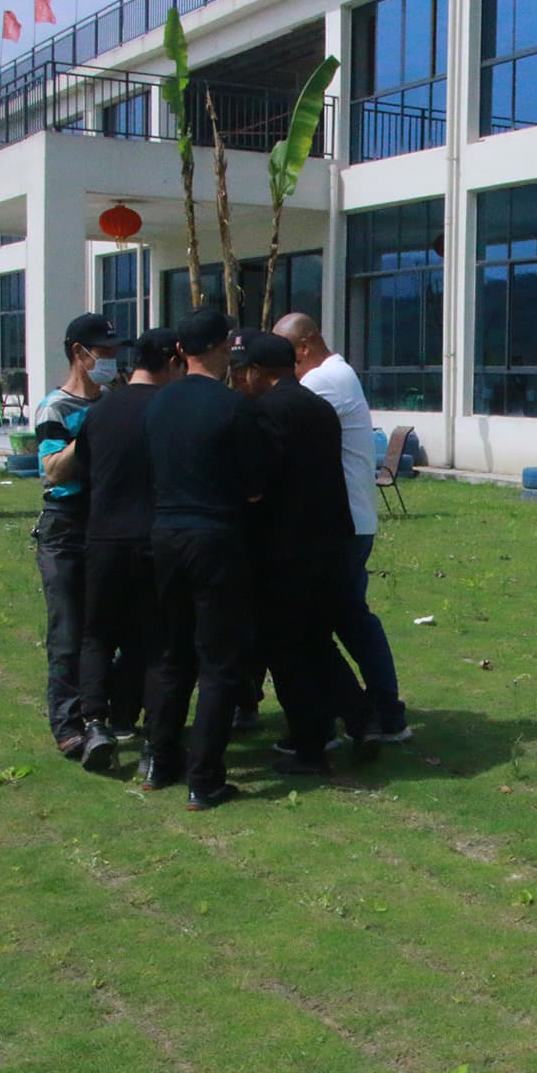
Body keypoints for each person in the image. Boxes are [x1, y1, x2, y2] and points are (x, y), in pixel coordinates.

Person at [143, 305, 269, 811]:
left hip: (165, 533)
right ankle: (205, 777)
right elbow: (255, 486)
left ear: (180, 351)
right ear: (223, 348)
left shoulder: (158, 403)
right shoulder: (233, 406)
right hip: (214, 535)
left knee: (172, 655)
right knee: (218, 661)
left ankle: (159, 760)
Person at [230, 329, 363, 776]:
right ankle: (362, 719)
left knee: (286, 649)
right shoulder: (319, 407)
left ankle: (310, 746)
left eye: (241, 371)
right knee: (319, 641)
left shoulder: (264, 412)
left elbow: (257, 484)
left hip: (285, 548)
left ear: (257, 371)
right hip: (331, 539)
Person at [272, 312, 409, 744]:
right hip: (349, 518)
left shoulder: (322, 381)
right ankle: (375, 711)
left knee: (330, 623)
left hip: (342, 522)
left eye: (283, 356)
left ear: (305, 346)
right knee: (345, 620)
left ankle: (367, 713)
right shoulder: (337, 374)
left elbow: (278, 411)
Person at [75, 327, 182, 774]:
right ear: (174, 361)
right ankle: (156, 740)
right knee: (157, 642)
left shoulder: (101, 411)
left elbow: (82, 469)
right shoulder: (171, 410)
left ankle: (95, 723)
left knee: (97, 635)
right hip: (155, 536)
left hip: (104, 536)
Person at [31, 313, 129, 761]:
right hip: (65, 526)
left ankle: (104, 715)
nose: (111, 359)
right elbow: (52, 469)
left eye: (114, 351)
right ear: (79, 353)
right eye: (103, 351)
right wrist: (90, 432)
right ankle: (68, 725)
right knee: (68, 632)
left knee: (108, 628)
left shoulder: (113, 399)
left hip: (106, 521)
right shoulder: (56, 408)